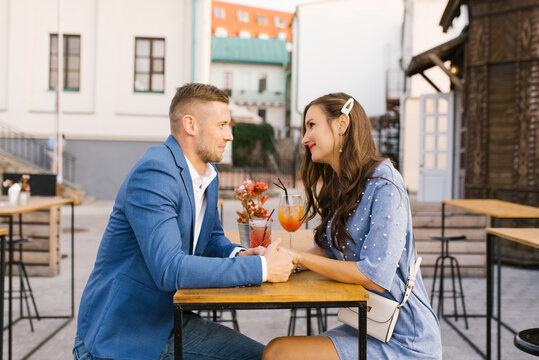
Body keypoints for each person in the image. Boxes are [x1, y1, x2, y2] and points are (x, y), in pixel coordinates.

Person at [74, 83, 294, 360]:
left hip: (168, 323)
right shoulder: (155, 172)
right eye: (223, 125)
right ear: (190, 124)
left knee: (267, 356)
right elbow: (169, 269)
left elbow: (212, 238)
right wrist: (261, 268)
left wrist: (243, 253)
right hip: (121, 337)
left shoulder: (207, 173)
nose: (230, 135)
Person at [263, 93, 442, 360]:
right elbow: (326, 251)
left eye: (312, 125)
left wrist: (299, 257)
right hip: (366, 325)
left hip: (404, 336)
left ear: (342, 124)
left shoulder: (385, 183)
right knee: (278, 350)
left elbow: (375, 275)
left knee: (279, 353)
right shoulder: (341, 185)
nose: (304, 138)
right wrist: (278, 260)